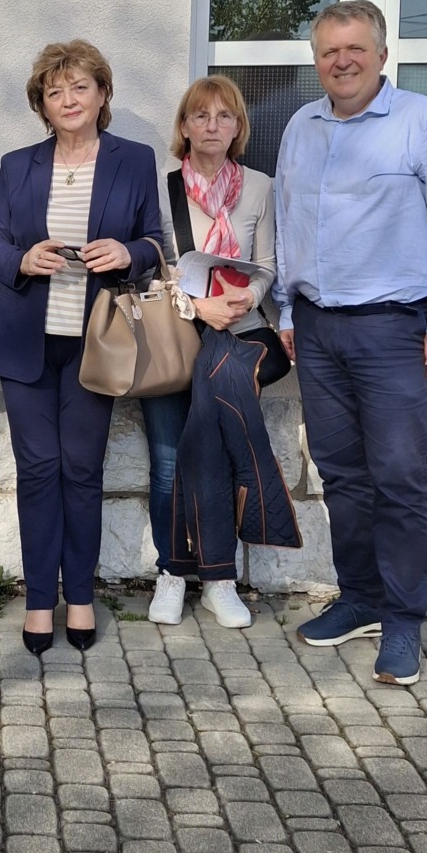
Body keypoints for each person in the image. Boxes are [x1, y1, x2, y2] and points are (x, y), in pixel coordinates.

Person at [274, 0, 427, 685]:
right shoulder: (301, 127)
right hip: (317, 327)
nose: (342, 61)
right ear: (316, 61)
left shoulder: (426, 125)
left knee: (398, 480)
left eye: (355, 49)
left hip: (398, 331)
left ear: (382, 55)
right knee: (342, 474)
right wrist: (284, 309)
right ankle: (359, 597)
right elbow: (286, 222)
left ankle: (402, 620)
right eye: (330, 51)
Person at [0, 40, 162, 654]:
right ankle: (38, 601)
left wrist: (129, 254)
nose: (68, 99)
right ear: (42, 105)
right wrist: (21, 259)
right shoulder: (18, 164)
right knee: (37, 472)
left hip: (97, 343)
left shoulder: (133, 160)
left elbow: (155, 240)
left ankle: (79, 598)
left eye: (79, 87)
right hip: (28, 341)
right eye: (54, 92)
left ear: (102, 94)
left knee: (82, 471)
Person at [144, 74, 281, 630]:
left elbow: (269, 265)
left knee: (216, 458)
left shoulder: (260, 187)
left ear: (238, 128)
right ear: (184, 126)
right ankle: (173, 573)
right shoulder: (159, 186)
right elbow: (150, 263)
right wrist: (198, 307)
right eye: (201, 116)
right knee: (168, 463)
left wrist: (246, 295)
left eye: (225, 116)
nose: (213, 125)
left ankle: (219, 580)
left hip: (240, 337)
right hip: (175, 337)